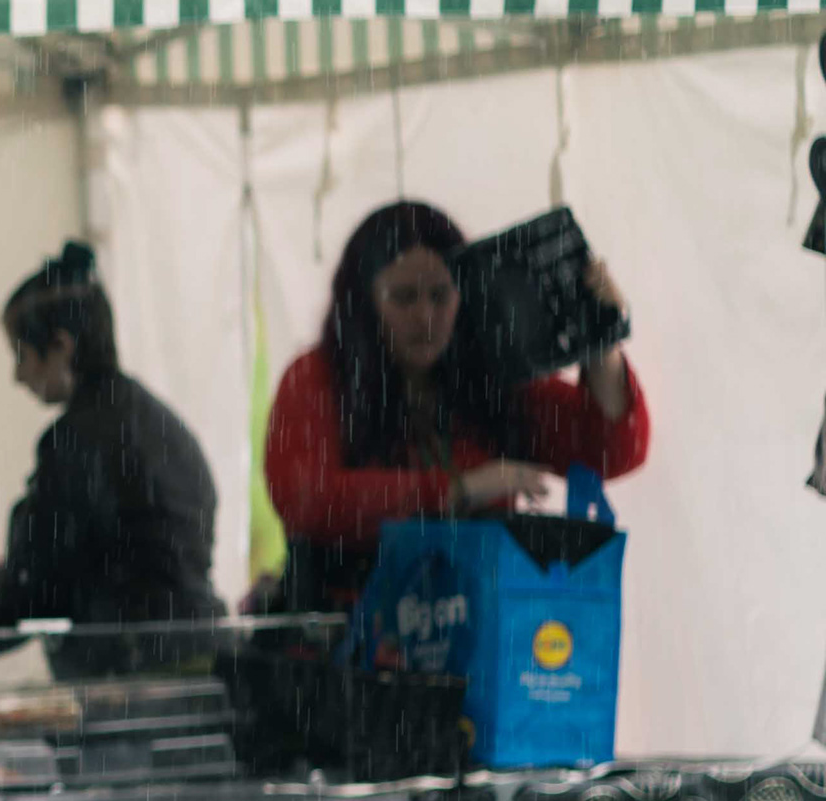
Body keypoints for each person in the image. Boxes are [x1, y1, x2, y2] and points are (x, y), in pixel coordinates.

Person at [263, 198, 649, 612]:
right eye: (404, 298)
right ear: (362, 302)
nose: (425, 316)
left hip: (476, 630)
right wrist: (458, 490)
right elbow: (306, 499)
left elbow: (609, 451)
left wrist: (600, 341)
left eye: (440, 295)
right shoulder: (317, 377)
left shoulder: (489, 377)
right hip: (353, 630)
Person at [0, 244, 224, 680]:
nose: (17, 376)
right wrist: (4, 574)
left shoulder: (74, 439)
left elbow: (37, 605)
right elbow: (112, 572)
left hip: (134, 677)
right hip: (199, 662)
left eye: (21, 355)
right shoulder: (161, 424)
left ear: (61, 346)